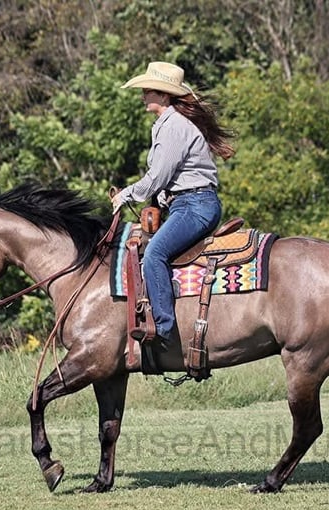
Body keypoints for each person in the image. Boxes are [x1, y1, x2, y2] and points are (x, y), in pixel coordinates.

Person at [112, 61, 234, 349]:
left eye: (148, 91)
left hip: (195, 206)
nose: (143, 95)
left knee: (154, 253)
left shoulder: (173, 127)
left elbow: (157, 177)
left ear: (164, 96)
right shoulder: (169, 124)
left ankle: (164, 330)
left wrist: (125, 195)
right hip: (188, 204)